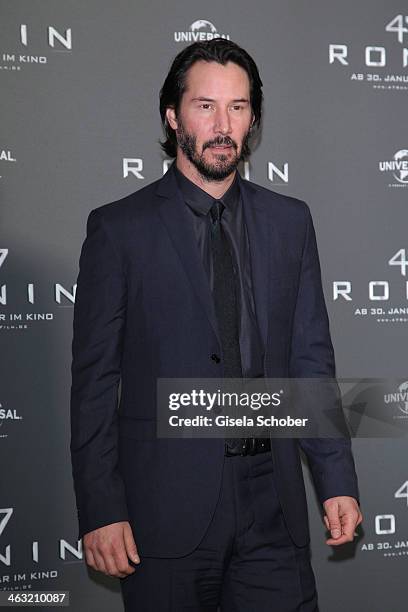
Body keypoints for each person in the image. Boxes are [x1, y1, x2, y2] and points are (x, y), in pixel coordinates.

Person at [70, 39, 362, 611]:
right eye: (206, 107)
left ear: (253, 118)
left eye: (238, 107)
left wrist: (336, 479)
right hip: (165, 512)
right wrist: (102, 508)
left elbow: (310, 361)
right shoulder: (119, 230)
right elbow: (95, 385)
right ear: (173, 116)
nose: (223, 124)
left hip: (272, 504)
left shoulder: (290, 221)